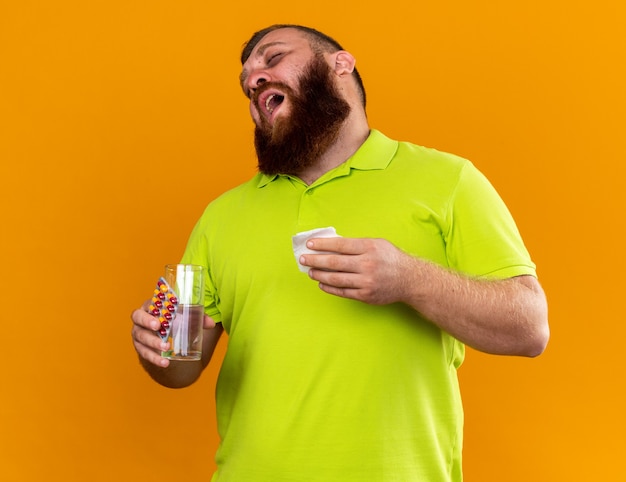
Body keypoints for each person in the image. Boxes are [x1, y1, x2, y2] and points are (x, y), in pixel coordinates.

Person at [131, 24, 549, 481]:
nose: (253, 80)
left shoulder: (449, 181)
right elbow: (181, 367)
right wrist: (157, 349)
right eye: (246, 81)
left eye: (272, 59)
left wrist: (407, 278)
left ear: (341, 64)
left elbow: (528, 328)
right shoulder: (222, 215)